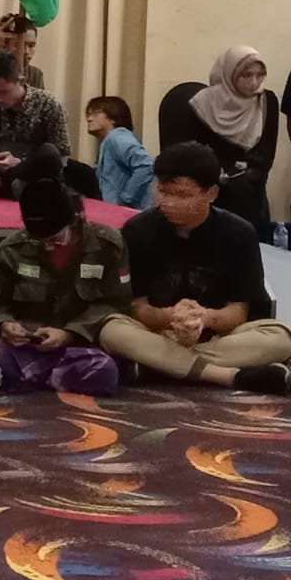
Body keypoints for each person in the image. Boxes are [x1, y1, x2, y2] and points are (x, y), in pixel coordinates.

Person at [101, 143, 290, 395]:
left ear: (211, 193)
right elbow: (137, 307)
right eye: (162, 191)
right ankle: (228, 376)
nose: (167, 202)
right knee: (111, 329)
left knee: (281, 336)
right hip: (158, 333)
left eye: (181, 195)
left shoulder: (239, 233)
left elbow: (239, 311)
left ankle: (155, 368)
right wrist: (171, 317)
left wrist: (203, 318)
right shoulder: (137, 230)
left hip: (218, 336)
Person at [0, 178, 124, 395]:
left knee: (104, 370)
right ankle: (51, 377)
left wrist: (69, 333)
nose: (48, 247)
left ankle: (36, 378)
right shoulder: (12, 248)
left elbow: (116, 303)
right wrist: (5, 325)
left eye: (55, 239)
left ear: (75, 220)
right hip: (26, 346)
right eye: (39, 240)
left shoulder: (107, 245)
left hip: (80, 346)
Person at [186, 46, 277, 241]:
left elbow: (267, 149)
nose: (254, 82)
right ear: (229, 73)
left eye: (260, 75)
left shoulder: (266, 100)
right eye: (246, 75)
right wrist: (218, 174)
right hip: (213, 189)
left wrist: (247, 174)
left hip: (250, 189)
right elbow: (198, 148)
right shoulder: (205, 102)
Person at [0, 50, 72, 193]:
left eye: (3, 92)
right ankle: (2, 183)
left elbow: (60, 157)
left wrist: (19, 164)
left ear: (21, 81)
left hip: (32, 174)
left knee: (49, 153)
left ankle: (5, 183)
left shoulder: (48, 103)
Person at [86, 95, 153, 208]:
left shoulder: (117, 137)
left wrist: (125, 199)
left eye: (96, 113)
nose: (89, 119)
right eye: (89, 114)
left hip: (125, 213)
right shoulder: (111, 140)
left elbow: (146, 165)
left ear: (113, 118)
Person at [0, 13, 45, 89]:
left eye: (31, 46)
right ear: (5, 45)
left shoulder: (35, 74)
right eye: (19, 45)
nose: (26, 51)